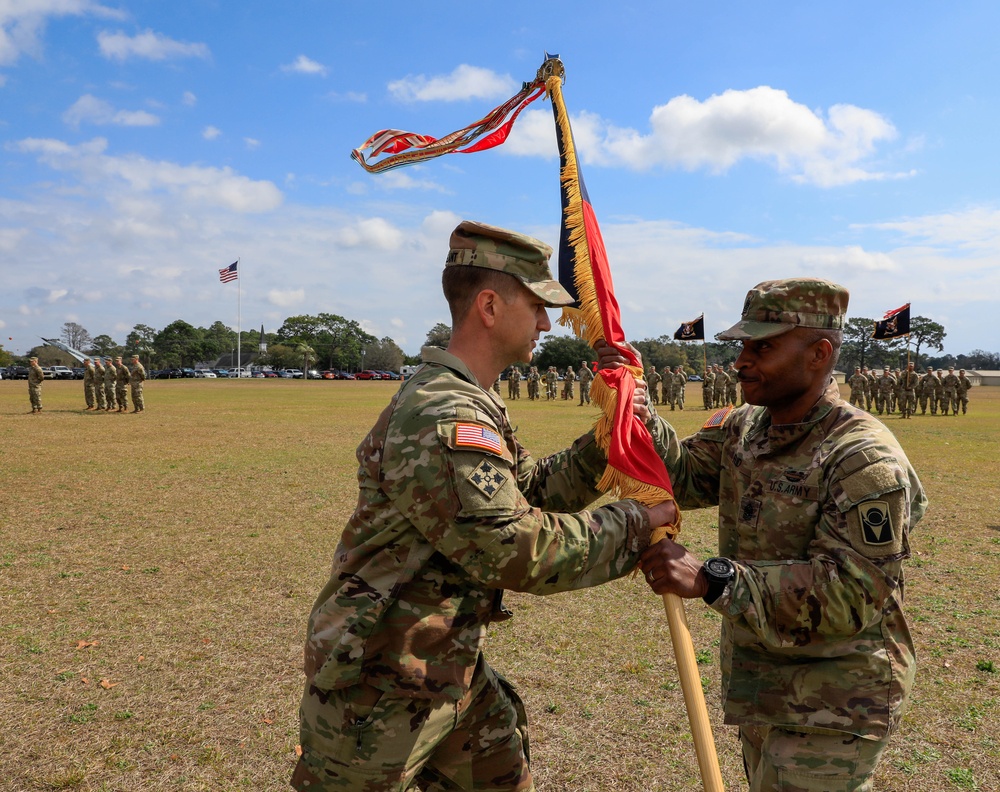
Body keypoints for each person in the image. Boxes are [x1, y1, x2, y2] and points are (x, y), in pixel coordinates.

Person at [292, 220, 676, 792]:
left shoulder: (473, 397)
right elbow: (514, 550)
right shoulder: (444, 411)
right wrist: (636, 523)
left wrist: (607, 441)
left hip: (446, 668)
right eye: (538, 306)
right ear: (491, 307)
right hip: (377, 686)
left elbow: (529, 491)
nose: (548, 322)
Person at [631, 277, 926, 792]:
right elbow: (682, 474)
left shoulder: (861, 457)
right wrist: (637, 413)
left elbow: (852, 595)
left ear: (818, 354)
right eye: (742, 346)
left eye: (762, 347)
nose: (742, 361)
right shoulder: (745, 425)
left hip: (834, 701)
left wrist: (713, 579)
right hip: (765, 685)